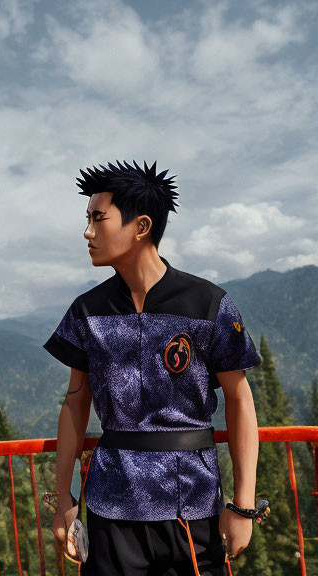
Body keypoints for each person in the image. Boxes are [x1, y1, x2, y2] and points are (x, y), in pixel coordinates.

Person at [44, 160, 263, 576]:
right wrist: (64, 501)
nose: (87, 232)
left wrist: (243, 506)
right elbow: (75, 404)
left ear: (141, 226)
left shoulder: (208, 304)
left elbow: (239, 398)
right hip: (112, 508)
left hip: (193, 504)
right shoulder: (87, 313)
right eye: (87, 220)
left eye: (98, 218)